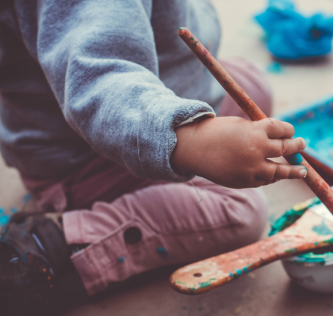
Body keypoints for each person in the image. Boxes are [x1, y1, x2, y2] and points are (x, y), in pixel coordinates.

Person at [0, 0, 307, 314]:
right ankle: (58, 245)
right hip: (89, 152)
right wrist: (195, 141)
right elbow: (100, 81)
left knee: (252, 85)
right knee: (241, 212)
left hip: (155, 93)